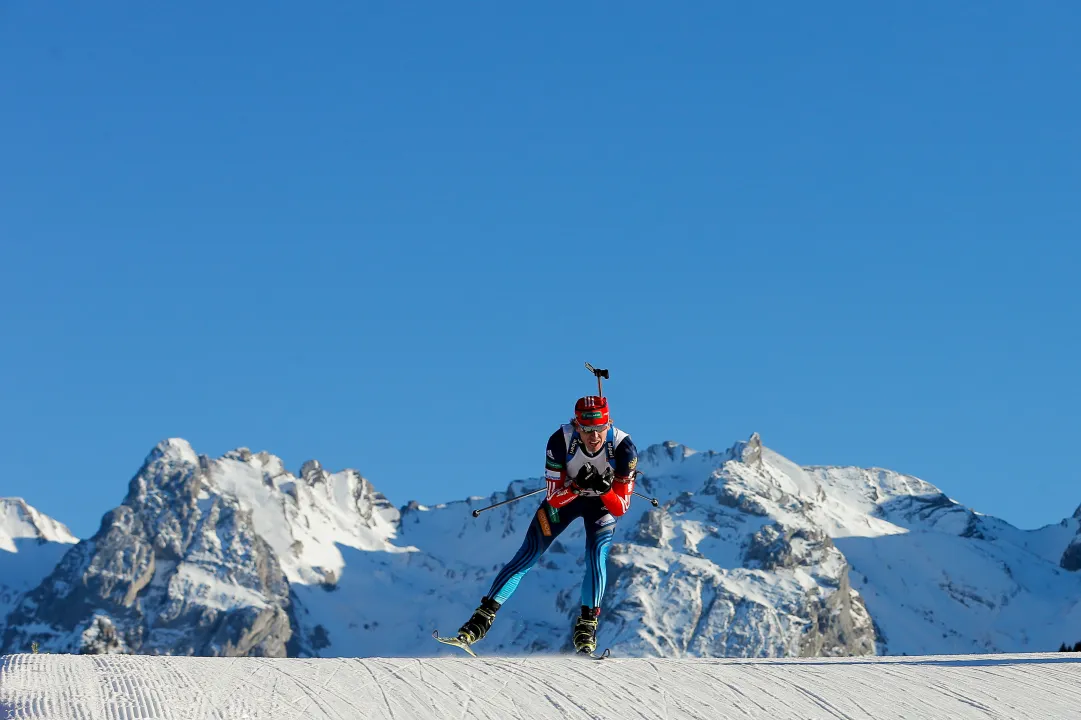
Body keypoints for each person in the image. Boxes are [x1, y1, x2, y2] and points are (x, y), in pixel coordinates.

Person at [455, 395, 638, 654]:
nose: (594, 437)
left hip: (601, 506)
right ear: (576, 425)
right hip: (565, 502)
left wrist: (604, 490)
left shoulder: (624, 448)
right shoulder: (559, 441)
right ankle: (479, 622)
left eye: (600, 429)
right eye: (586, 429)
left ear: (609, 424)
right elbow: (553, 497)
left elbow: (621, 507)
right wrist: (576, 486)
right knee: (527, 556)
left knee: (596, 558)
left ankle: (586, 629)